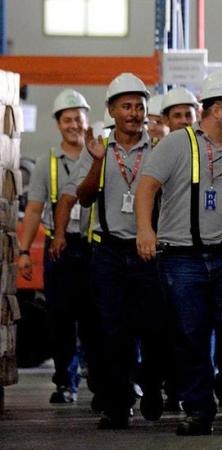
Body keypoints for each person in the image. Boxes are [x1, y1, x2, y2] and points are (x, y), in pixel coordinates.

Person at [134, 70, 222, 435]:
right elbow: (147, 186)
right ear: (218, 109)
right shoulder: (177, 144)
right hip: (181, 257)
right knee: (190, 333)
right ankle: (198, 409)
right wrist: (146, 230)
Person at [57, 73, 169, 430]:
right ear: (111, 110)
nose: (134, 113)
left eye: (139, 106)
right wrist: (97, 162)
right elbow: (84, 196)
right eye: (126, 106)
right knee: (112, 330)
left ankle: (151, 386)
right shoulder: (98, 150)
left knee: (153, 328)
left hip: (150, 251)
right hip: (109, 252)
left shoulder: (160, 150)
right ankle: (119, 404)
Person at [18, 89, 96, 405]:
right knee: (61, 317)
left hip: (95, 246)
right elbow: (34, 209)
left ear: (87, 120)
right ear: (58, 124)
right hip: (59, 248)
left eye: (78, 118)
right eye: (67, 119)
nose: (74, 124)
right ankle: (66, 382)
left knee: (97, 318)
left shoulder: (102, 157)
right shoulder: (45, 164)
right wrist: (24, 252)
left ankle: (102, 382)